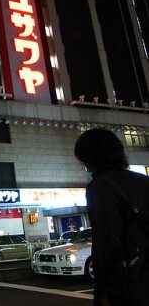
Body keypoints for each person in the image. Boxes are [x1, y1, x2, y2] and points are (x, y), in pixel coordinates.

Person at [74, 128, 149, 305]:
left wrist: (107, 290)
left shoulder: (100, 187)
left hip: (131, 286)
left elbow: (107, 242)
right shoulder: (143, 181)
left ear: (91, 157)